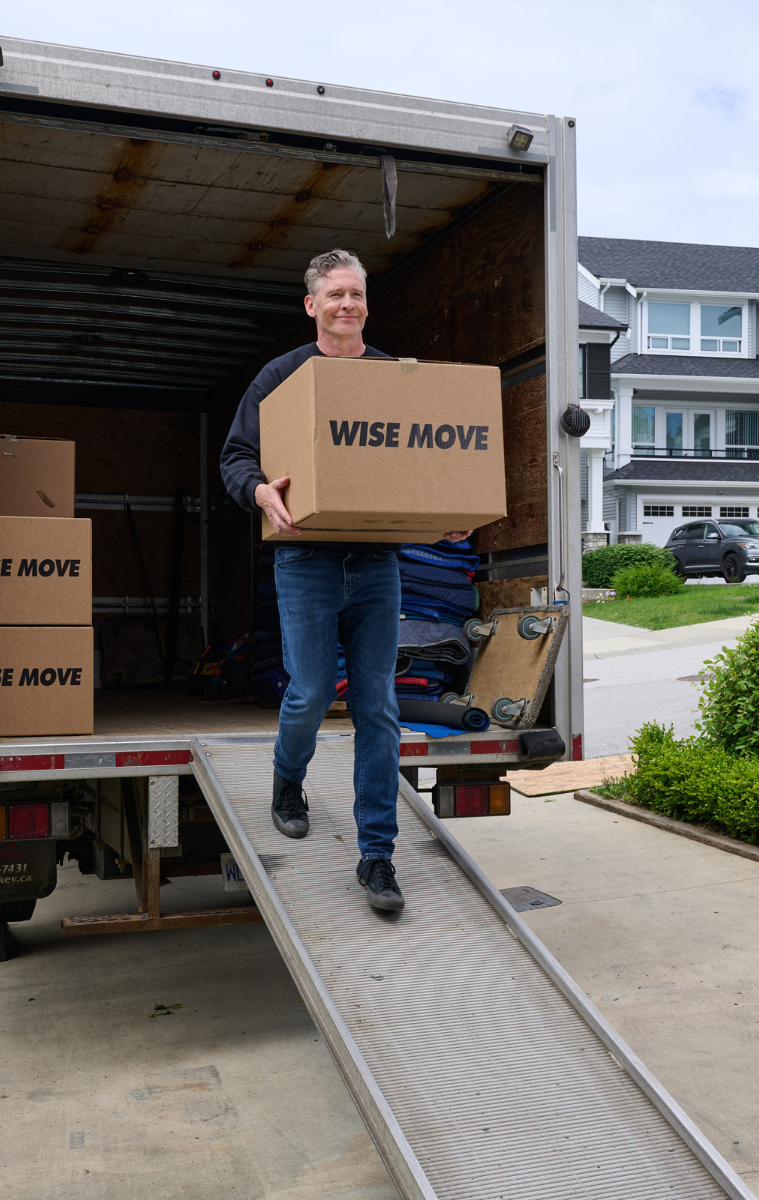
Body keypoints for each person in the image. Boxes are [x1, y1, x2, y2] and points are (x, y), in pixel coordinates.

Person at [219, 248, 471, 914]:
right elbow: (236, 456)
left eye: (356, 294)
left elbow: (422, 460)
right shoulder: (283, 376)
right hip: (305, 560)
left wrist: (444, 514)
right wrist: (258, 491)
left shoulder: (393, 378)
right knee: (307, 691)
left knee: (377, 708)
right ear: (312, 305)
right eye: (335, 294)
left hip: (377, 561)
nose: (347, 305)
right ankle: (287, 778)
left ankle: (377, 855)